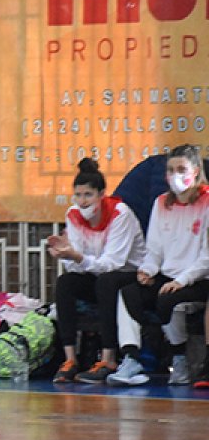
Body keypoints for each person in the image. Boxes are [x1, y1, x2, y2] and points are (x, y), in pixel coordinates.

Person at [110, 145, 209, 386]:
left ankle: (180, 359)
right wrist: (147, 269)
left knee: (168, 300)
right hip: (167, 275)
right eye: (170, 170)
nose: (175, 175)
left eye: (181, 169)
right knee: (128, 292)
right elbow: (154, 248)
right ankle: (131, 359)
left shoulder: (206, 203)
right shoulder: (161, 203)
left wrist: (181, 281)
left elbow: (206, 257)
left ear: (195, 171)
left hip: (197, 279)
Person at [46, 158, 146, 384]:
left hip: (129, 275)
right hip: (97, 273)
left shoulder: (121, 214)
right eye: (78, 195)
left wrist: (77, 256)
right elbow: (77, 266)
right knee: (66, 282)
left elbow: (113, 263)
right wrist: (65, 254)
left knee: (106, 282)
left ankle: (108, 357)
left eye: (88, 195)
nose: (82, 202)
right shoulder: (73, 214)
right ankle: (70, 359)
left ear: (102, 195)